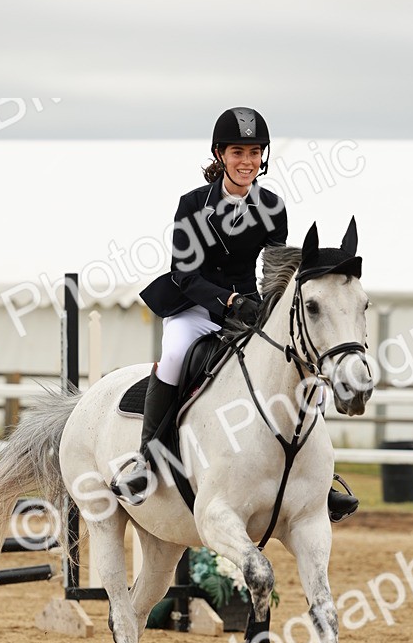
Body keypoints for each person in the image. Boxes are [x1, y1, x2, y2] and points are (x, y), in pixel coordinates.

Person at [113, 106, 358, 523]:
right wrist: (226, 301)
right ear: (220, 155)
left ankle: (318, 476)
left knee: (294, 361)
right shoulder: (192, 204)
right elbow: (184, 272)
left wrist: (270, 304)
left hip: (248, 307)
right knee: (173, 357)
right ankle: (147, 461)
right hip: (194, 306)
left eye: (254, 152)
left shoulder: (273, 206)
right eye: (237, 152)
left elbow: (276, 266)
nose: (246, 161)